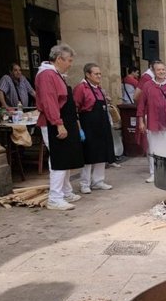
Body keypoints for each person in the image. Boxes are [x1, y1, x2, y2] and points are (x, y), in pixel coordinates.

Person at [35, 44, 84, 211]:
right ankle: (55, 198)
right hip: (53, 123)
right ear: (58, 59)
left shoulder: (57, 74)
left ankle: (65, 191)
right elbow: (49, 102)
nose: (70, 64)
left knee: (66, 158)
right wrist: (58, 123)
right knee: (59, 160)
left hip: (63, 121)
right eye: (69, 60)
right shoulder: (47, 75)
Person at [136, 60, 166, 188]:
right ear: (154, 71)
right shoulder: (148, 85)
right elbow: (141, 105)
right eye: (158, 70)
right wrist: (141, 121)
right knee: (154, 148)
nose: (161, 72)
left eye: (163, 69)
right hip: (153, 122)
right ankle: (154, 173)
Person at [74, 63, 115, 193]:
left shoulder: (99, 88)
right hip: (88, 125)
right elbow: (75, 108)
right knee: (89, 155)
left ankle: (98, 181)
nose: (99, 76)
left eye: (100, 74)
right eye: (96, 74)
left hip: (102, 124)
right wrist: (79, 128)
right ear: (87, 74)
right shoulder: (81, 88)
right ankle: (85, 183)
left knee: (101, 153)